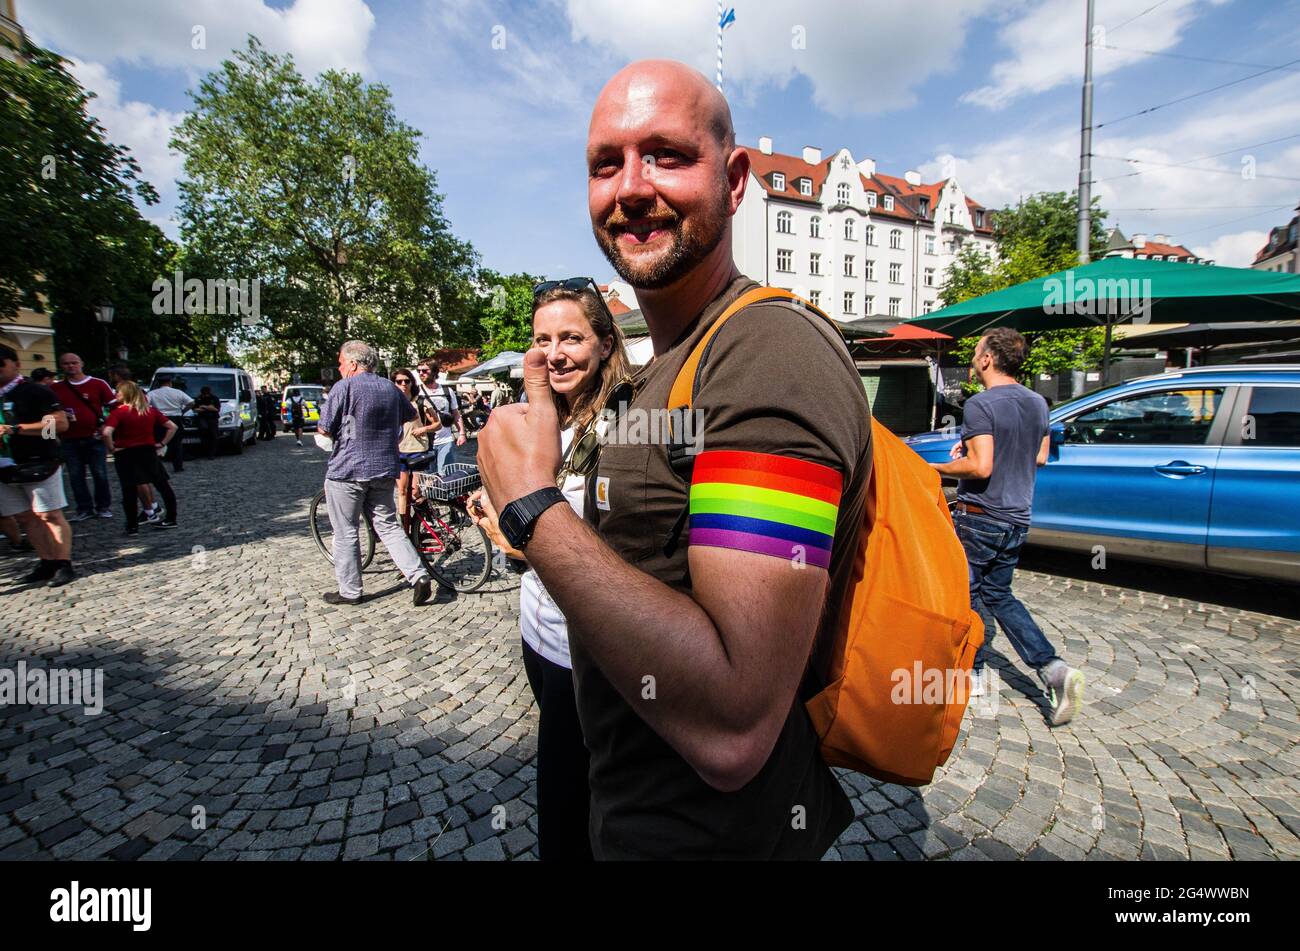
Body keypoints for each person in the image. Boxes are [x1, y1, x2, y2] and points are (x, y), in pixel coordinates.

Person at [477, 61, 872, 860]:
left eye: (665, 155)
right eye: (605, 164)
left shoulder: (767, 352)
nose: (629, 187)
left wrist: (531, 505)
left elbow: (734, 721)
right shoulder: (667, 367)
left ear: (732, 182)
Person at [471, 279, 631, 861]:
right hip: (537, 631)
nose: (555, 352)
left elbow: (622, 545)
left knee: (571, 806)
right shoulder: (531, 417)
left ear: (606, 343)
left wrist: (516, 538)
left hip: (590, 649)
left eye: (572, 337)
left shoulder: (632, 423)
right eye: (543, 340)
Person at [931, 328, 1085, 726]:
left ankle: (975, 673)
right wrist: (979, 448)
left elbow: (981, 467)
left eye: (975, 351)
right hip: (1017, 516)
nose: (972, 359)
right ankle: (1052, 669)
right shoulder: (1037, 402)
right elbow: (1041, 456)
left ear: (986, 359)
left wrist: (937, 467)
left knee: (966, 594)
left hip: (980, 515)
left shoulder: (980, 404)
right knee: (999, 595)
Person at [318, 340, 440, 607]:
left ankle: (350, 591)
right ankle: (418, 575)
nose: (339, 367)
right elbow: (410, 415)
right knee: (388, 525)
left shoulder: (344, 387)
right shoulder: (390, 388)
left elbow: (325, 428)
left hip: (347, 470)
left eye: (340, 362)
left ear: (352, 363)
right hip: (384, 467)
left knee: (346, 531)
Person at [0, 344, 76, 586]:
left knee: (49, 514)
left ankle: (64, 563)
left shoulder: (33, 392)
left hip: (37, 461)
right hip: (4, 466)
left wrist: (16, 429)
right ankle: (46, 561)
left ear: (16, 364)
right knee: (24, 517)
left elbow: (60, 424)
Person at [102, 382, 178, 534]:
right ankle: (171, 518)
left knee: (129, 490)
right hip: (148, 452)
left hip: (126, 454)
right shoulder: (150, 411)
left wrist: (111, 448)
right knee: (163, 486)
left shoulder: (119, 412)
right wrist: (162, 443)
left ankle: (132, 526)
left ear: (125, 394)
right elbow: (172, 427)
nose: (115, 395)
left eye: (118, 392)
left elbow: (106, 432)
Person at [49, 352, 116, 521]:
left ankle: (103, 506)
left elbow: (114, 407)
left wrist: (107, 428)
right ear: (61, 366)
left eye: (74, 362)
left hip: (94, 437)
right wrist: (51, 435)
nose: (70, 366)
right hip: (68, 438)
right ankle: (84, 508)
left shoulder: (98, 384)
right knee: (75, 475)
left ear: (81, 364)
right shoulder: (55, 388)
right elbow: (48, 414)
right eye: (66, 363)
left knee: (99, 473)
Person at [391, 368, 441, 530]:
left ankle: (422, 520)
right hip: (399, 451)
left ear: (412, 383)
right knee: (402, 491)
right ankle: (404, 526)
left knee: (415, 491)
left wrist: (423, 429)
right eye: (399, 381)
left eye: (407, 381)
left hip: (418, 450)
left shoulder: (420, 402)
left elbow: (437, 424)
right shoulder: (391, 402)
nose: (403, 384)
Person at [413, 359, 465, 473]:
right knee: (429, 478)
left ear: (434, 372)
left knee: (446, 475)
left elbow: (456, 414)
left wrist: (461, 433)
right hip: (424, 442)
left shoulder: (447, 391)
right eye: (419, 371)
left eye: (425, 370)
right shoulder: (416, 393)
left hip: (445, 440)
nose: (421, 373)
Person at [146, 375, 193, 474]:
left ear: (159, 383)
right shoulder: (178, 392)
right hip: (175, 418)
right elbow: (191, 402)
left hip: (159, 420)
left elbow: (145, 404)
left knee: (158, 442)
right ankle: (178, 466)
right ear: (170, 382)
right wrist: (183, 410)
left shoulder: (152, 393)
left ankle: (157, 466)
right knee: (177, 444)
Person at [193, 385, 221, 460]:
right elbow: (195, 409)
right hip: (202, 418)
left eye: (206, 394)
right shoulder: (198, 398)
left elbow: (216, 409)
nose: (205, 395)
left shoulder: (214, 398)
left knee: (213, 436)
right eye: (204, 394)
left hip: (212, 418)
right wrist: (209, 408)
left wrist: (204, 407)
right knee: (204, 434)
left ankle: (212, 454)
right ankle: (205, 452)